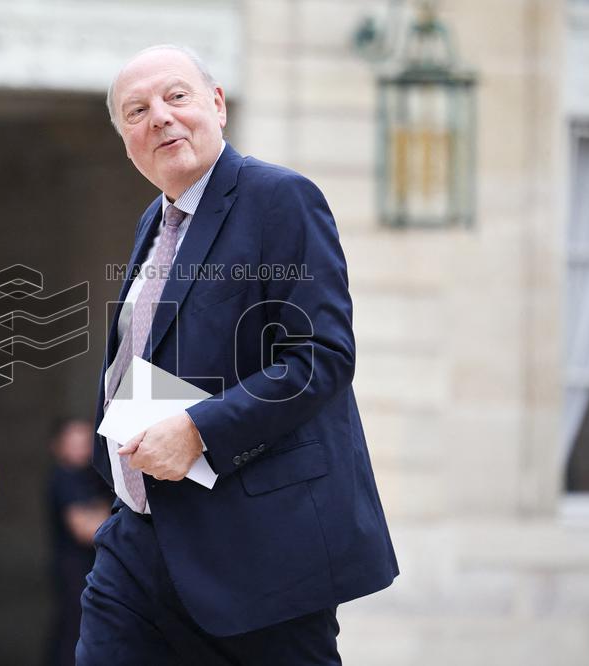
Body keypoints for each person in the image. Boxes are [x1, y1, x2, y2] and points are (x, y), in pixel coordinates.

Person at [78, 45, 399, 665]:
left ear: (217, 104)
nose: (161, 118)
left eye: (177, 97)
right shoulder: (155, 218)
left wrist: (198, 430)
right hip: (139, 539)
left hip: (259, 552)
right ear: (127, 143)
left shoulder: (281, 198)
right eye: (137, 111)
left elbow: (320, 356)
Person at [44, 418, 113, 666]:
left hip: (93, 566)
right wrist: (113, 518)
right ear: (57, 446)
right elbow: (84, 529)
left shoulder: (95, 477)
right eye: (73, 442)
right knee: (74, 629)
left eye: (85, 442)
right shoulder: (64, 477)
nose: (81, 448)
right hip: (73, 566)